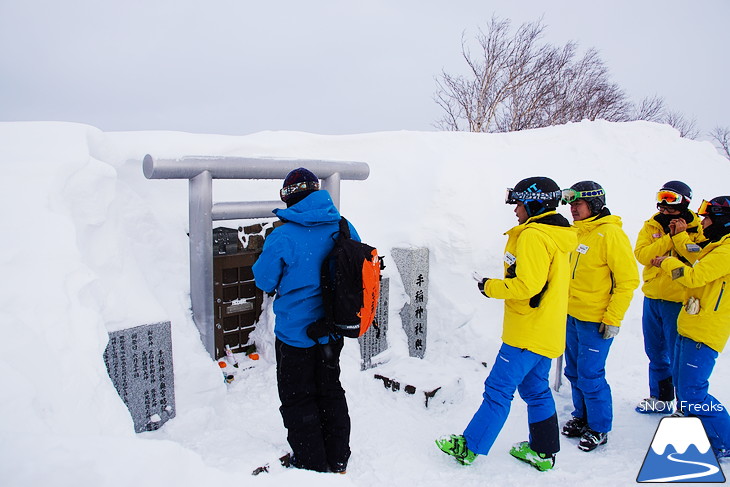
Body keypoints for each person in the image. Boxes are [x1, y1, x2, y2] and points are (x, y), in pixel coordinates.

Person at [436, 176, 577, 471]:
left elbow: (527, 285)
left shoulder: (534, 236)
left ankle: (469, 447)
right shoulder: (557, 235)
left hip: (527, 332)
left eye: (519, 203)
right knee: (536, 390)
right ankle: (543, 451)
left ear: (535, 203)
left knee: (498, 390)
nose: (515, 210)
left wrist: (490, 286)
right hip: (546, 329)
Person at [252, 167, 359, 473]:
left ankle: (312, 465)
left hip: (296, 335)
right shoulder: (343, 226)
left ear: (288, 198)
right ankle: (338, 458)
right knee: (330, 389)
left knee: (298, 398)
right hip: (333, 331)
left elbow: (264, 280)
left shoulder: (283, 235)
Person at [559, 181, 639, 452]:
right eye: (571, 204)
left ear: (593, 205)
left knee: (591, 374)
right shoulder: (576, 233)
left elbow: (627, 281)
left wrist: (613, 319)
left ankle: (600, 427)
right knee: (574, 372)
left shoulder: (610, 235)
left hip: (596, 320)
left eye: (577, 204)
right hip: (571, 316)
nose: (572, 209)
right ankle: (581, 417)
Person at [650, 196, 730, 459]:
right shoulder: (716, 245)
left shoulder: (727, 251)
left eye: (707, 218)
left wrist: (666, 262)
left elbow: (694, 276)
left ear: (722, 221)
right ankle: (705, 432)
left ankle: (725, 441)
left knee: (694, 392)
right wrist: (680, 237)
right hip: (691, 324)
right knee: (686, 390)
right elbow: (694, 256)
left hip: (705, 331)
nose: (703, 222)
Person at [634, 181, 704, 414]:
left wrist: (682, 237)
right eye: (661, 196)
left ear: (684, 201)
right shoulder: (651, 225)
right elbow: (643, 255)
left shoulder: (698, 228)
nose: (664, 204)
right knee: (655, 352)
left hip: (679, 299)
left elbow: (699, 258)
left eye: (670, 198)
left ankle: (684, 405)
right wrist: (668, 239)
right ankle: (661, 397)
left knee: (678, 355)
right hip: (653, 297)